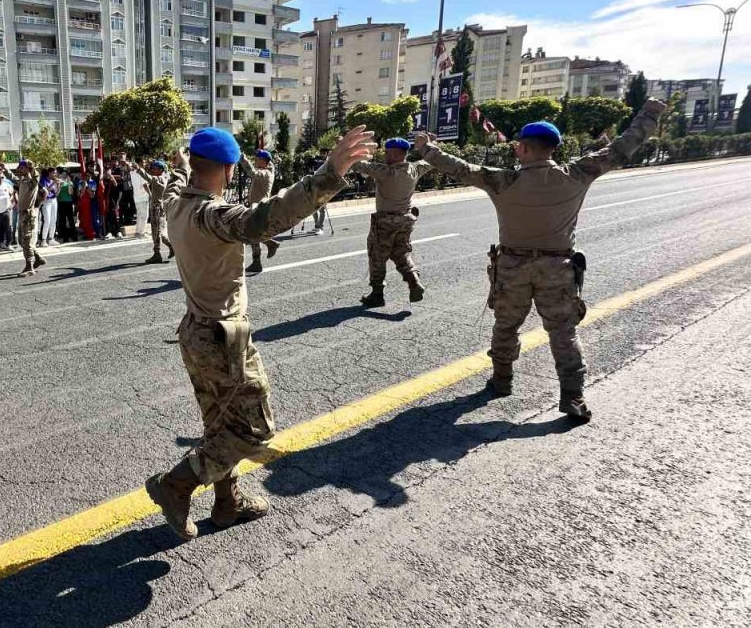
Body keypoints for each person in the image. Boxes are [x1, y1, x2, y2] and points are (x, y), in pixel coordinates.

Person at [145, 125, 374, 541]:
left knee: (219, 425)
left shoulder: (176, 204)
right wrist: (329, 172)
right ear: (231, 171)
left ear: (193, 164)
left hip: (194, 331)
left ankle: (228, 501)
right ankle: (176, 484)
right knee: (254, 429)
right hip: (222, 337)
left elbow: (181, 178)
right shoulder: (210, 215)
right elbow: (262, 219)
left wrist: (182, 162)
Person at [417, 98, 666, 423]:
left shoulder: (503, 180)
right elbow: (621, 149)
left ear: (521, 148)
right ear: (553, 148)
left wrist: (425, 149)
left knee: (506, 326)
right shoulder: (576, 174)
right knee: (563, 333)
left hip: (511, 268)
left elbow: (459, 168)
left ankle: (502, 380)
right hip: (557, 269)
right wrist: (649, 114)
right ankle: (572, 396)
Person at [354, 138, 433, 307]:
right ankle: (414, 281)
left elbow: (357, 165)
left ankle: (377, 294)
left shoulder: (385, 171)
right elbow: (432, 160)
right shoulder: (415, 168)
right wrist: (429, 145)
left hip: (385, 221)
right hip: (405, 220)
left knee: (377, 256)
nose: (385, 156)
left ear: (395, 153)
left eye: (387, 153)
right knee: (401, 252)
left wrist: (350, 149)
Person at [239, 149, 281, 273]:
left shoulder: (266, 173)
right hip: (256, 206)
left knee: (253, 235)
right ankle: (269, 245)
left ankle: (259, 260)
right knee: (254, 234)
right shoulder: (266, 170)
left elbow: (252, 173)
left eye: (257, 159)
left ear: (263, 161)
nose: (255, 160)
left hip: (260, 208)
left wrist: (242, 158)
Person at [132, 159, 174, 264]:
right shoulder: (165, 178)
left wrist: (138, 169)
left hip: (157, 209)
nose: (152, 170)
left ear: (160, 170)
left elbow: (148, 177)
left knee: (156, 232)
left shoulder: (158, 179)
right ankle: (167, 248)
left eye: (155, 168)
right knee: (161, 232)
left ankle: (158, 253)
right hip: (161, 208)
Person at [13, 159, 48, 276]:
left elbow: (36, 175)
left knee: (27, 241)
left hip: (28, 214)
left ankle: (30, 267)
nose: (19, 169)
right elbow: (13, 177)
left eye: (22, 167)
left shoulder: (33, 181)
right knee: (22, 241)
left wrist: (31, 165)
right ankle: (38, 258)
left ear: (28, 168)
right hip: (22, 213)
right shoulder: (22, 181)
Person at [56, 169, 77, 243]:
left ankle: (74, 236)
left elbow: (70, 193)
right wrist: (60, 186)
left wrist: (68, 183)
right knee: (62, 220)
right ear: (61, 175)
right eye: (63, 174)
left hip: (68, 202)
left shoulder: (70, 182)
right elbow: (56, 194)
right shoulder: (58, 182)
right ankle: (63, 237)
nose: (64, 176)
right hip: (61, 202)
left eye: (66, 174)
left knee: (70, 219)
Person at [39, 168, 59, 247]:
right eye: (54, 173)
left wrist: (59, 185)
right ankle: (43, 240)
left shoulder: (53, 181)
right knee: (47, 220)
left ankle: (51, 238)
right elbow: (45, 190)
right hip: (46, 201)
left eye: (56, 173)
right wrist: (53, 183)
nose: (55, 174)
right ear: (49, 173)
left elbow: (56, 193)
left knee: (54, 220)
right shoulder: (44, 180)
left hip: (54, 200)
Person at [76, 176, 96, 240]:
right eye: (86, 175)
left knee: (89, 219)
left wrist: (87, 187)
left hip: (89, 203)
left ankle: (90, 234)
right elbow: (79, 194)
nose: (87, 176)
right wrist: (84, 186)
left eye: (88, 175)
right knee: (82, 219)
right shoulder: (80, 182)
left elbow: (92, 195)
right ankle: (84, 234)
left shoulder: (92, 182)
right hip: (82, 203)